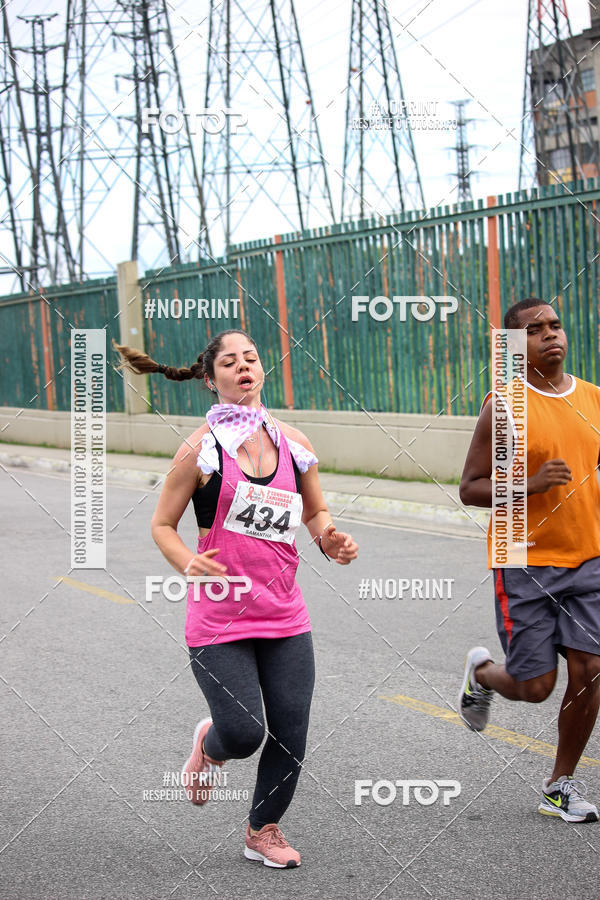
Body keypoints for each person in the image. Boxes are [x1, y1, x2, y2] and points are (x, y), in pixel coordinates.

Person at [116, 329, 358, 867]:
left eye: (251, 358)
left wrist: (329, 538)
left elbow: (315, 511)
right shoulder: (199, 449)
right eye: (229, 362)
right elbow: (162, 525)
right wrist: (188, 562)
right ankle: (211, 743)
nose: (244, 366)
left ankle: (262, 831)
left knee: (291, 731)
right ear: (210, 379)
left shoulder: (293, 442)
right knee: (245, 733)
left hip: (284, 613)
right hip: (219, 617)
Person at [458, 298, 600, 824]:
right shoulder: (505, 406)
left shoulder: (594, 399)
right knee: (536, 687)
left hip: (588, 557)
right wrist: (530, 484)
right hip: (522, 558)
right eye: (535, 330)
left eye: (555, 326)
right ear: (516, 347)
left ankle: (559, 785)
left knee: (590, 670)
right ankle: (482, 674)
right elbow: (470, 488)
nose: (550, 335)